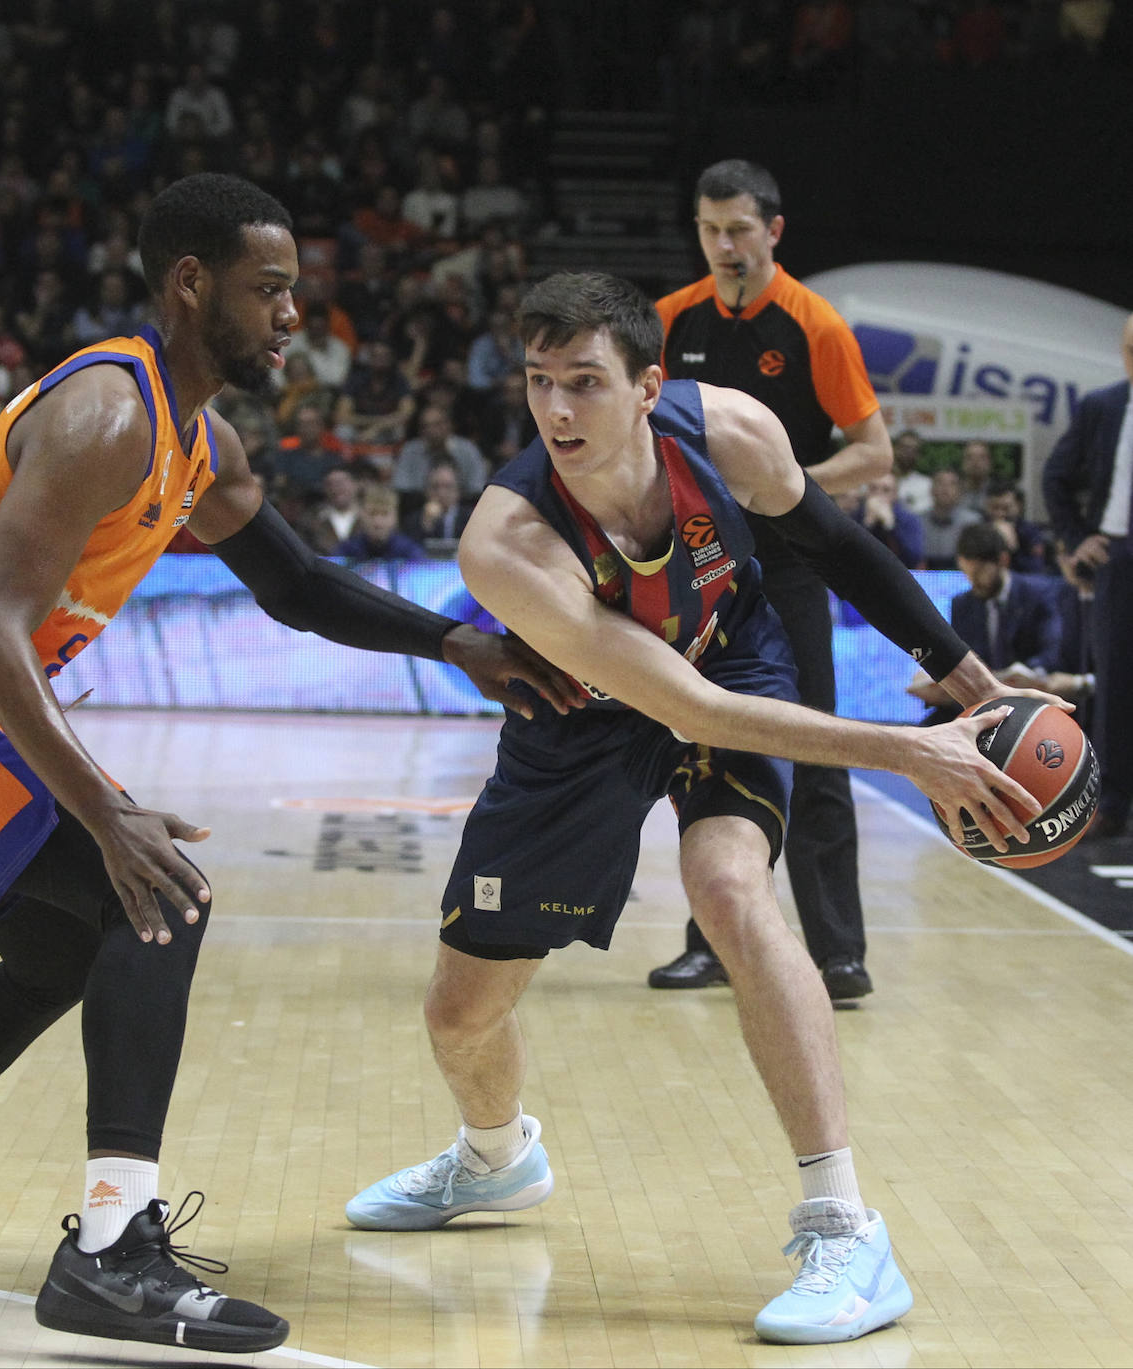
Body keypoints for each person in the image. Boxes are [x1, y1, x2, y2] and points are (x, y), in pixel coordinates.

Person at [0, 174, 577, 1359]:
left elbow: (298, 587)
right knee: (157, 898)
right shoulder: (109, 412)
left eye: (295, 289)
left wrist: (451, 639)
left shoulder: (202, 442)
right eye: (271, 290)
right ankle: (109, 1252)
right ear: (192, 285)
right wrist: (109, 813)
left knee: (58, 951)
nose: (295, 314)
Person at [343, 272, 1046, 1345]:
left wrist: (970, 681)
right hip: (586, 713)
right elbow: (681, 707)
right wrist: (912, 751)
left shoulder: (736, 436)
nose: (558, 411)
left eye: (585, 382)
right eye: (540, 385)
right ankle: (493, 1158)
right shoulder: (510, 541)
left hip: (735, 650)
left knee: (727, 885)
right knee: (459, 1014)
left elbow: (843, 552)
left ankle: (845, 1225)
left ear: (648, 387)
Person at [648, 159, 892, 1001]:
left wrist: (788, 485)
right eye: (710, 229)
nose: (723, 245)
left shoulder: (814, 323)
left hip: (790, 565)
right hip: (698, 567)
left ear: (774, 232)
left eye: (739, 230)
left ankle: (840, 953)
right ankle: (710, 940)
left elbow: (876, 451)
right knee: (703, 745)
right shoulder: (671, 320)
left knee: (818, 746)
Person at [1042, 310, 1133, 839]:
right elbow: (1056, 476)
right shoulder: (1104, 407)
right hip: (1118, 560)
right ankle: (1112, 803)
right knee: (1117, 683)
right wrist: (1077, 540)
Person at [906, 521, 1067, 724]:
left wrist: (1026, 673)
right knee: (925, 730)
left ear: (1003, 560)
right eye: (967, 573)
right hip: (982, 702)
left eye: (980, 572)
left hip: (1027, 700)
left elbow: (1051, 653)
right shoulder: (963, 604)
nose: (973, 581)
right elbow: (959, 656)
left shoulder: (1037, 595)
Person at [335, 485, 427, 561]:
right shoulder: (346, 551)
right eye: (372, 514)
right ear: (361, 516)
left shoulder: (409, 551)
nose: (378, 522)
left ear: (395, 518)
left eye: (384, 514)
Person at [922, 466, 982, 568]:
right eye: (940, 483)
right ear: (931, 489)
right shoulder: (917, 522)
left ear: (960, 491)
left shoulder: (973, 523)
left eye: (952, 484)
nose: (945, 489)